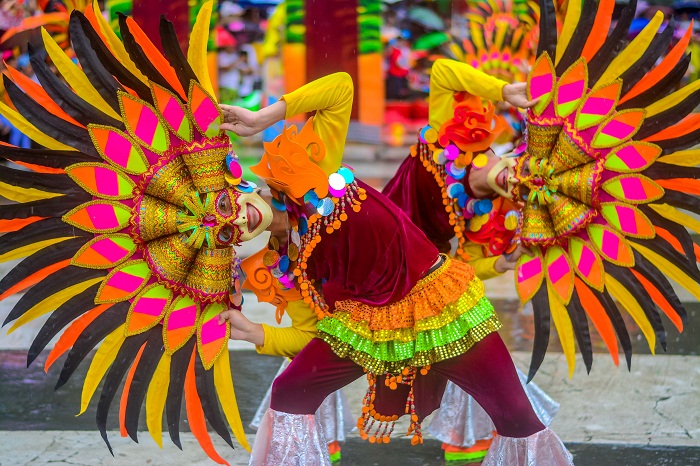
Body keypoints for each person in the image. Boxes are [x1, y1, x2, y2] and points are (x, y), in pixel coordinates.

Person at [217, 70, 573, 465]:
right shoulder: (286, 264)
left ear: (241, 186)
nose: (236, 222)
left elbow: (341, 87)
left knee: (517, 416)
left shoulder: (310, 174)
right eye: (225, 233)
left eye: (225, 208)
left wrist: (262, 118)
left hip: (439, 308)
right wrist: (255, 333)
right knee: (290, 391)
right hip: (367, 329)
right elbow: (310, 334)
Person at [383, 58, 559, 463]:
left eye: (524, 190)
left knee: (468, 330)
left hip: (404, 275)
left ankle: (474, 436)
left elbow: (465, 263)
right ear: (519, 155)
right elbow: (443, 71)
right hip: (369, 239)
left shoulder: (488, 219)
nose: (517, 181)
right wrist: (504, 92)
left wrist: (501, 263)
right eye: (524, 172)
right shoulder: (456, 134)